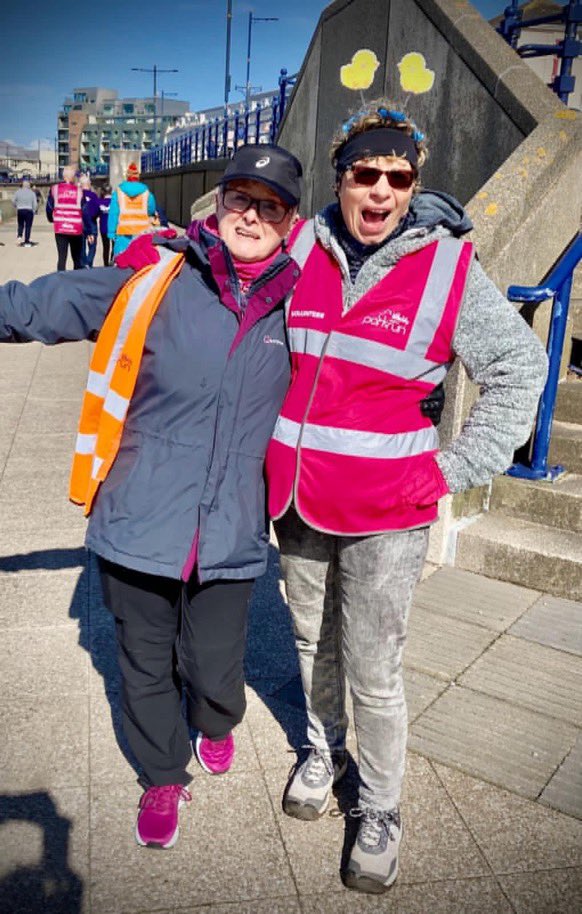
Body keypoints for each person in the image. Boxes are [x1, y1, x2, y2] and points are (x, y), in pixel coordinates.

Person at [261, 103, 548, 895]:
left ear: (413, 184)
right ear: (340, 179)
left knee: (374, 666)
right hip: (298, 497)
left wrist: (454, 470)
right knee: (311, 642)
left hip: (389, 510)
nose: (381, 191)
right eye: (365, 174)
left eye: (399, 177)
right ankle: (324, 753)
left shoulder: (451, 267)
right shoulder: (298, 246)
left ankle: (381, 807)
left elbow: (520, 370)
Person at [0, 144, 304, 851]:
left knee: (216, 666)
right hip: (138, 517)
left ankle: (217, 721)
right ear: (218, 203)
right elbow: (48, 304)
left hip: (231, 529)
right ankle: (163, 773)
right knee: (142, 660)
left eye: (269, 205)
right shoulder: (159, 276)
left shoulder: (305, 302)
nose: (251, 216)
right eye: (240, 198)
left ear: (289, 220)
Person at [107, 162, 156, 257]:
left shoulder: (119, 191)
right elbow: (151, 210)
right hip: (142, 232)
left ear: (127, 176)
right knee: (140, 262)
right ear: (138, 177)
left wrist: (111, 232)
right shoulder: (146, 192)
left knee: (122, 262)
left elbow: (113, 213)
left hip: (123, 233)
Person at [46, 166, 83, 270]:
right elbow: (84, 209)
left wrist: (50, 218)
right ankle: (77, 280)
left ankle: (60, 280)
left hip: (60, 227)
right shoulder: (79, 191)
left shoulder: (55, 189)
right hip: (76, 228)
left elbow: (49, 206)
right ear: (72, 177)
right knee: (76, 258)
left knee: (62, 257)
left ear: (63, 176)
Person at [79, 174, 100, 268]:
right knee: (92, 246)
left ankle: (84, 263)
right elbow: (98, 210)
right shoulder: (94, 196)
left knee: (81, 246)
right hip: (91, 223)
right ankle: (89, 262)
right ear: (88, 184)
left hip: (80, 223)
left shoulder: (78, 195)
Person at [12, 179, 37, 247]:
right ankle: (27, 240)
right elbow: (35, 204)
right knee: (28, 226)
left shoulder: (17, 192)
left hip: (20, 210)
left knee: (20, 224)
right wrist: (34, 211)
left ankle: (19, 237)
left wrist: (17, 206)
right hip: (29, 210)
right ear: (29, 186)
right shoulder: (32, 193)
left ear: (22, 185)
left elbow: (13, 201)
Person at [97, 186, 112, 266]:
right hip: (114, 227)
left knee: (106, 247)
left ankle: (106, 264)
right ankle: (112, 261)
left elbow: (96, 214)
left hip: (103, 227)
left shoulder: (100, 202)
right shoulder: (115, 202)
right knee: (114, 246)